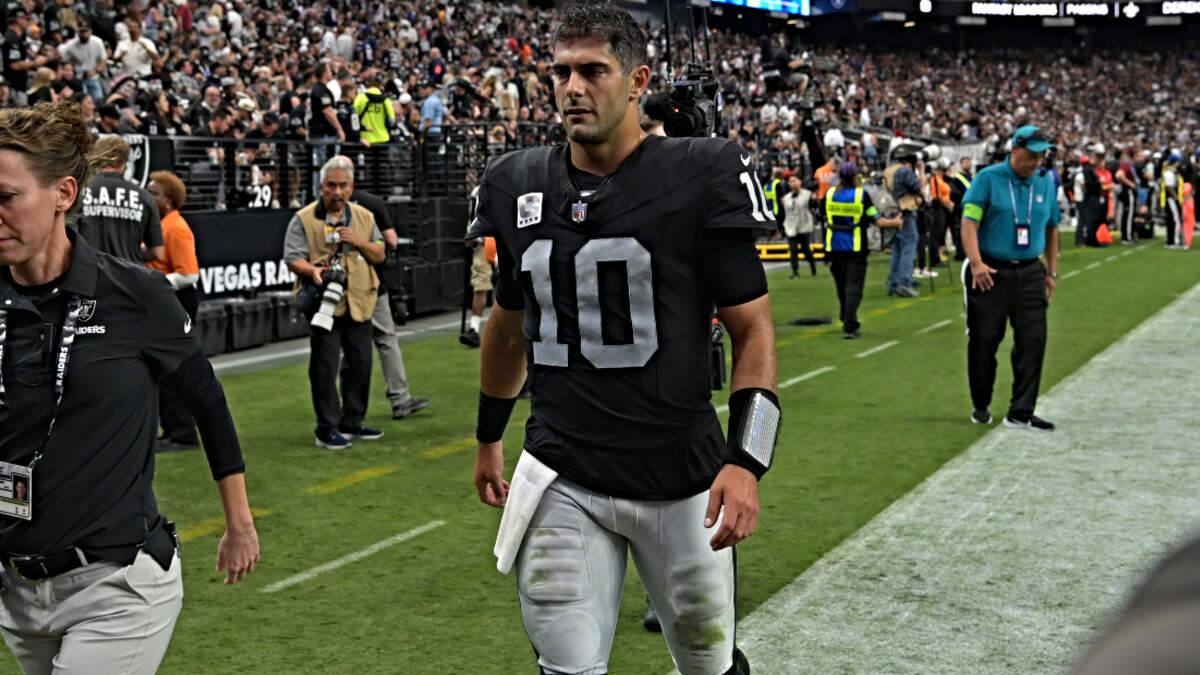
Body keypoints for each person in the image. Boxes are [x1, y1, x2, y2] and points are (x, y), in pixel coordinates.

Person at [471, 5, 779, 674]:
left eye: (593, 71)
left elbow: (753, 328)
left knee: (708, 663)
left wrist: (747, 461)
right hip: (562, 471)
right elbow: (508, 324)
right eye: (561, 72)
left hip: (681, 476)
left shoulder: (700, 170)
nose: (573, 87)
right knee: (567, 665)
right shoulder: (515, 180)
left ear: (638, 80)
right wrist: (489, 434)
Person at [0, 101, 258, 674]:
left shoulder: (134, 294)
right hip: (16, 590)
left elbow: (207, 401)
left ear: (64, 193)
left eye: (6, 197)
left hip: (116, 583)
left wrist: (238, 522)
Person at [960, 125, 1060, 431]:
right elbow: (969, 222)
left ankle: (1021, 412)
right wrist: (976, 263)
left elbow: (1052, 228)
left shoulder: (1044, 183)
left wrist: (1051, 271)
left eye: (1041, 157)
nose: (1036, 163)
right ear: (1015, 150)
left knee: (1033, 340)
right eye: (1031, 156)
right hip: (990, 271)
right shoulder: (987, 178)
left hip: (1030, 272)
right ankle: (981, 403)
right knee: (984, 340)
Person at [283, 156, 387, 449]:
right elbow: (292, 258)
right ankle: (326, 429)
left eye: (343, 185)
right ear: (321, 187)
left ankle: (352, 422)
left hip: (359, 300)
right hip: (323, 304)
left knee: (361, 364)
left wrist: (359, 241)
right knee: (324, 368)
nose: (337, 191)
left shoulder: (364, 217)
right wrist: (313, 271)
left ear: (351, 187)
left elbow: (380, 253)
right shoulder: (303, 218)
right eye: (331, 185)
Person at [333, 156, 431, 420]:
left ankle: (339, 405)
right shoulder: (371, 203)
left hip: (338, 282)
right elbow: (391, 240)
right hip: (371, 282)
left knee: (343, 344)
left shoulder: (322, 206)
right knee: (385, 339)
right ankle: (400, 398)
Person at [146, 170, 201, 452]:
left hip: (177, 301)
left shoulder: (175, 227)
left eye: (153, 194)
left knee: (172, 370)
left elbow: (189, 275)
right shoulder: (162, 224)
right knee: (163, 370)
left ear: (168, 199)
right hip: (165, 300)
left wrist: (150, 283)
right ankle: (174, 430)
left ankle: (181, 433)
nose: (147, 198)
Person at [825, 162, 902, 339]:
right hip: (855, 247)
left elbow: (822, 213)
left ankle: (845, 315)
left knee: (841, 285)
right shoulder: (861, 195)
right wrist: (895, 222)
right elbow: (877, 220)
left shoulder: (830, 194)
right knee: (854, 287)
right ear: (855, 177)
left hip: (834, 246)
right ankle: (850, 325)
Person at [77, 135, 164, 265]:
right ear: (124, 162)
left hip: (89, 272)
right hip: (129, 273)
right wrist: (131, 253)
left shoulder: (80, 192)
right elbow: (157, 252)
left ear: (97, 159)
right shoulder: (144, 196)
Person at [884, 152, 924, 297]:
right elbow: (917, 187)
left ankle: (893, 283)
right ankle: (904, 283)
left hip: (891, 211)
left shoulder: (888, 170)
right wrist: (922, 172)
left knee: (897, 249)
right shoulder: (904, 171)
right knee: (908, 247)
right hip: (905, 211)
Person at [460, 182, 493, 347]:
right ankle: (474, 329)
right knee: (480, 286)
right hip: (484, 242)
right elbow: (472, 216)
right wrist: (471, 234)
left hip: (506, 241)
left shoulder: (513, 183)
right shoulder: (478, 191)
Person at [781, 173, 817, 277]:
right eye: (790, 181)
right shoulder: (786, 198)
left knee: (806, 250)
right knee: (793, 250)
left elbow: (813, 208)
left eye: (794, 180)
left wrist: (814, 201)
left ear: (800, 182)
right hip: (791, 227)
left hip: (804, 226)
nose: (792, 183)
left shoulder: (808, 195)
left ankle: (812, 265)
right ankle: (795, 271)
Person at [354, 71, 395, 146]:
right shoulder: (386, 99)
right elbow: (392, 121)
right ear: (379, 85)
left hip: (365, 138)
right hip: (383, 137)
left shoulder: (361, 97)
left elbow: (354, 117)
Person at [1115, 146, 1140, 245]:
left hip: (1129, 190)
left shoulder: (1128, 164)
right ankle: (1127, 237)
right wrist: (1130, 184)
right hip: (1128, 191)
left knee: (1128, 214)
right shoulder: (1126, 164)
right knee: (1129, 214)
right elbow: (1119, 175)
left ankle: (1127, 235)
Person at [1161, 154, 1186, 250]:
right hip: (1171, 199)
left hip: (1172, 199)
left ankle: (1171, 241)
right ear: (1175, 162)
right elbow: (1169, 187)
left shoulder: (1172, 171)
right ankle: (1175, 241)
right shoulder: (1169, 173)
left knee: (1172, 220)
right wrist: (1176, 198)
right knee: (1175, 220)